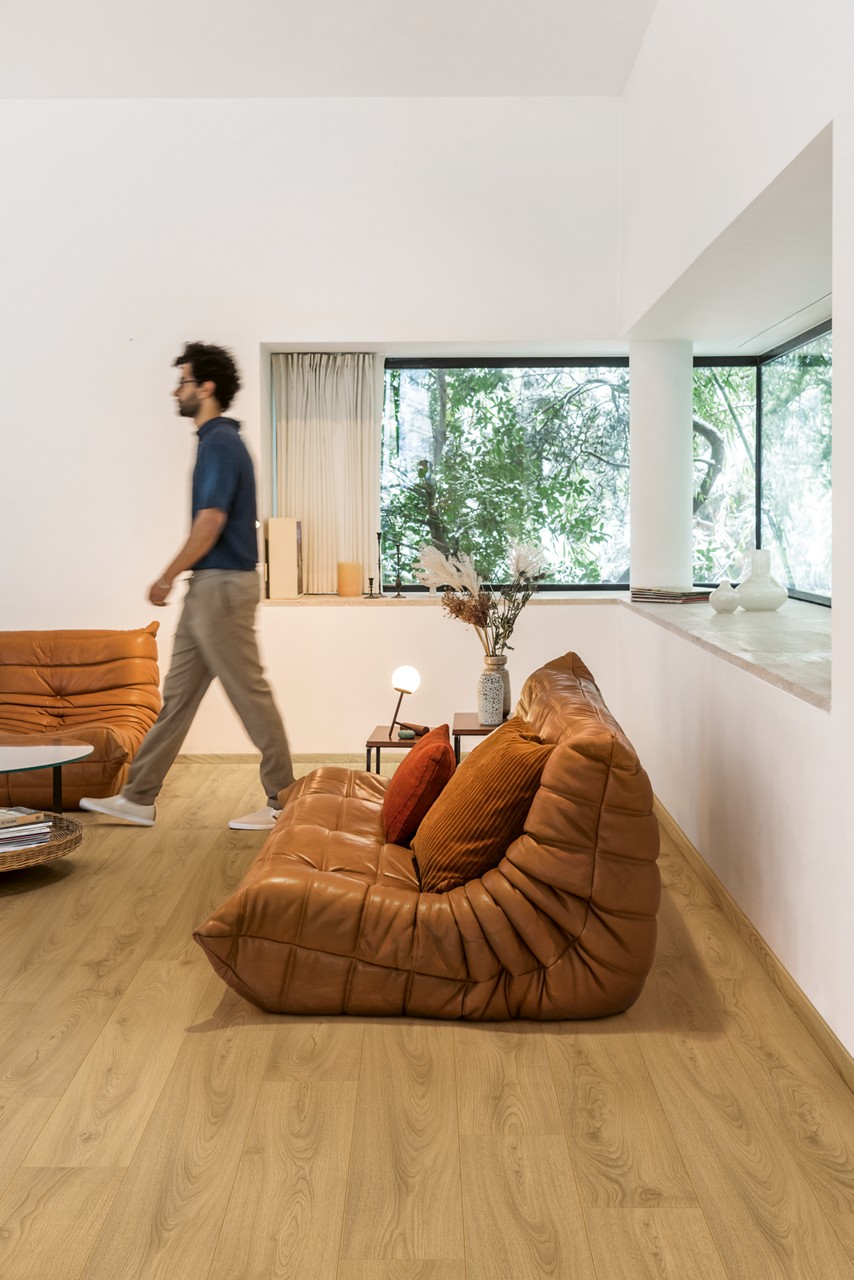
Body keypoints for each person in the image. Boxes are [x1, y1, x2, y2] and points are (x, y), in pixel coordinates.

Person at [81, 342, 295, 831]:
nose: (175, 391)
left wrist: (166, 575)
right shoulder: (214, 441)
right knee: (177, 698)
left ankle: (282, 800)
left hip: (222, 587)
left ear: (206, 387)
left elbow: (210, 521)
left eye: (182, 382)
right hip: (209, 587)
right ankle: (138, 798)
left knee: (250, 693)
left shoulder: (220, 442)